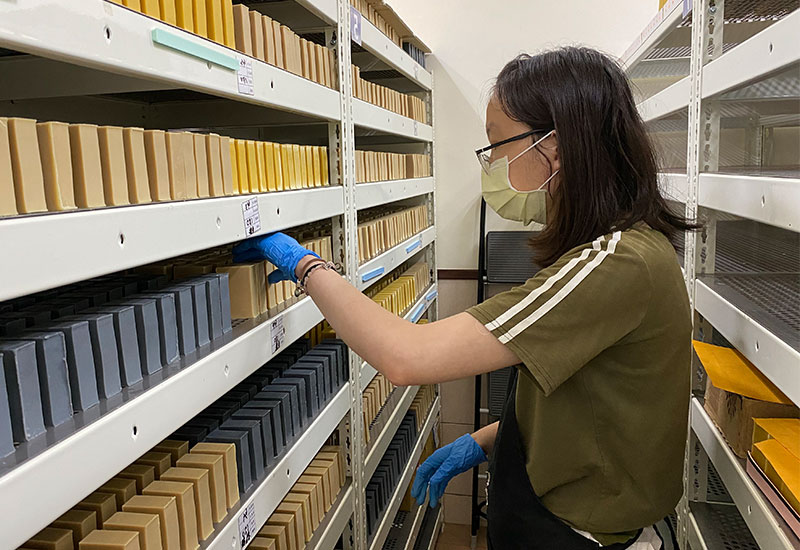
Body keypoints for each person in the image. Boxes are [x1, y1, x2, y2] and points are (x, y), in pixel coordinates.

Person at [233, 46, 695, 549]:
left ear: (555, 148)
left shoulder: (616, 263)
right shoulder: (615, 249)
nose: (491, 162)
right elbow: (590, 403)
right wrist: (485, 439)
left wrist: (305, 265)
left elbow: (407, 356)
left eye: (498, 143)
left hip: (575, 536)